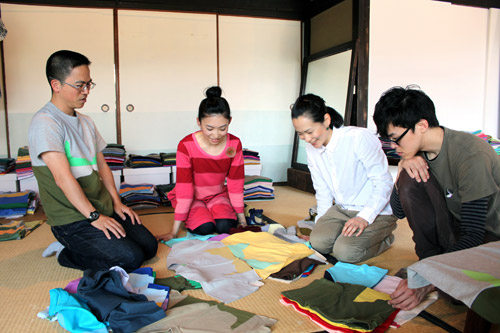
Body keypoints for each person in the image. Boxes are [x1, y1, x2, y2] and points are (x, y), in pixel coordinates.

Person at [28, 50, 157, 272]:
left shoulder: (86, 122)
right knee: (131, 259)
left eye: (89, 84)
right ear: (56, 85)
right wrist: (93, 217)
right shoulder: (45, 123)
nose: (86, 91)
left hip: (101, 208)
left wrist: (117, 203)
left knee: (149, 247)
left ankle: (97, 234)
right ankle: (66, 252)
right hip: (72, 219)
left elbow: (103, 167)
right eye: (79, 85)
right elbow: (62, 178)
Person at [373, 85, 500, 310]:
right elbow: (398, 210)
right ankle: (428, 263)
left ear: (421, 125)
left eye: (396, 139)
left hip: (488, 238)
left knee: (457, 296)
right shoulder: (416, 153)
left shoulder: (471, 154)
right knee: (411, 177)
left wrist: (426, 278)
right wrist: (402, 167)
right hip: (453, 228)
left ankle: (429, 270)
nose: (394, 147)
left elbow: (474, 233)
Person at [291, 94, 397, 263]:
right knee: (318, 243)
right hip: (341, 210)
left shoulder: (358, 138)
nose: (307, 139)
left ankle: (385, 237)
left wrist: (364, 217)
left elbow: (383, 182)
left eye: (310, 132)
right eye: (301, 134)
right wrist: (320, 224)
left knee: (345, 252)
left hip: (374, 211)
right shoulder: (311, 150)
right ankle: (342, 235)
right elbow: (322, 190)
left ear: (326, 120)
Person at [157, 86, 246, 241]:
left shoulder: (234, 144)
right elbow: (184, 189)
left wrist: (243, 220)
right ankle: (201, 213)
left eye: (223, 128)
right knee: (205, 228)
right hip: (192, 198)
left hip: (217, 195)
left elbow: (236, 183)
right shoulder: (186, 145)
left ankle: (214, 210)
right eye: (209, 128)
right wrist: (174, 232)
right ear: (199, 122)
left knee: (225, 227)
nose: (216, 135)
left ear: (230, 121)